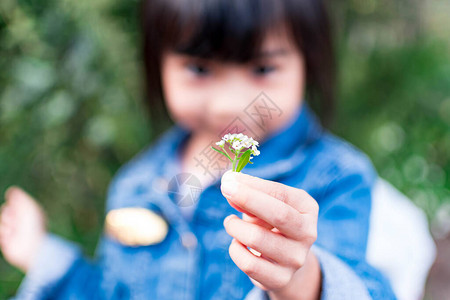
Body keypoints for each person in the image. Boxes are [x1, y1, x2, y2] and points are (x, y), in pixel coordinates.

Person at [0, 0, 401, 299]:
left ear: (308, 62)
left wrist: (301, 278)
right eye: (199, 70)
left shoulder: (334, 176)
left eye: (262, 69)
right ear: (157, 63)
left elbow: (368, 287)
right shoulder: (136, 185)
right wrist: (41, 255)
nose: (230, 103)